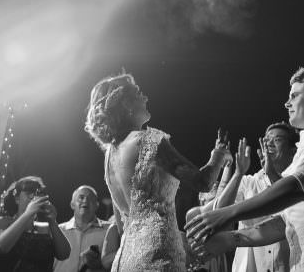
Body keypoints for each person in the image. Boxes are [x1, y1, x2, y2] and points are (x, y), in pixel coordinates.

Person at [187, 64, 304, 271]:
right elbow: (284, 222)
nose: (287, 103)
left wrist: (228, 214)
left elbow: (295, 188)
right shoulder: (303, 151)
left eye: (295, 95)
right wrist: (230, 239)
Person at [84, 71, 231, 271]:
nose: (146, 97)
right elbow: (203, 182)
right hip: (157, 256)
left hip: (125, 259)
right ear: (126, 104)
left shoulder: (109, 154)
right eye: (138, 92)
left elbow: (121, 222)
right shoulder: (149, 141)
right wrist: (219, 155)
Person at [205, 122, 297, 272]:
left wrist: (272, 175)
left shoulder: (303, 182)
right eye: (266, 140)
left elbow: (292, 205)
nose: (269, 144)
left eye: (278, 139)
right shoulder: (249, 182)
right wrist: (236, 171)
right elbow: (219, 210)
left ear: (293, 151)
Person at [0, 176, 70, 272]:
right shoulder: (3, 222)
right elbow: (1, 248)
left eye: (37, 194)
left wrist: (53, 221)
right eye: (29, 193)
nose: (33, 197)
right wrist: (27, 214)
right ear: (17, 199)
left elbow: (64, 254)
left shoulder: (46, 228)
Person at [54, 185, 111, 271]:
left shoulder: (109, 230)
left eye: (91, 198)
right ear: (72, 204)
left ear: (97, 205)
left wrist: (99, 265)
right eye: (81, 197)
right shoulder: (58, 231)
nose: (85, 200)